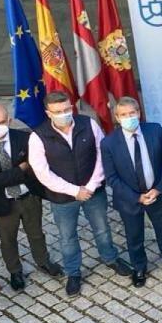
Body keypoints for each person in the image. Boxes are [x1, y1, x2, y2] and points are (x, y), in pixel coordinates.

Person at [28, 91, 130, 297]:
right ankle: (73, 272)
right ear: (49, 113)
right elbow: (42, 172)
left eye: (67, 109)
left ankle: (110, 258)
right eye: (58, 111)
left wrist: (91, 186)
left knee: (102, 228)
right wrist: (75, 191)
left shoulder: (88, 124)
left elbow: (102, 154)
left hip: (94, 191)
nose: (64, 114)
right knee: (67, 236)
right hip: (63, 197)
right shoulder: (38, 136)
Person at [0, 103, 63, 291]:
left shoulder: (25, 138)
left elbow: (35, 168)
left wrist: (1, 176)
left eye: (2, 121)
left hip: (28, 196)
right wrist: (20, 169)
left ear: (9, 120)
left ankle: (43, 261)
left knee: (36, 233)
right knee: (8, 239)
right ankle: (15, 271)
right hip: (2, 201)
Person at [101, 97, 162, 287]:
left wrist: (158, 189)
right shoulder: (108, 143)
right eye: (123, 115)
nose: (128, 117)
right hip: (129, 198)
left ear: (139, 113)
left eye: (132, 113)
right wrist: (137, 197)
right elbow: (112, 178)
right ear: (117, 117)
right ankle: (139, 266)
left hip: (156, 192)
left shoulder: (154, 130)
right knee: (134, 235)